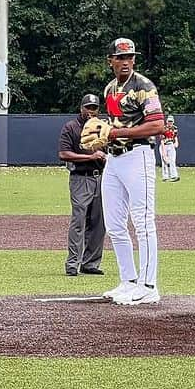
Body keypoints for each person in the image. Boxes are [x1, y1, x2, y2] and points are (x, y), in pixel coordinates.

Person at [97, 38, 166, 306]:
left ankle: (149, 286)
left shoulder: (144, 86)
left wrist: (117, 133)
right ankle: (128, 281)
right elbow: (113, 124)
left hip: (138, 157)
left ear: (134, 60)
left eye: (129, 57)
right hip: (114, 159)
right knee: (114, 224)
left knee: (143, 222)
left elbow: (157, 125)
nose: (125, 62)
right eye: (120, 57)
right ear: (110, 61)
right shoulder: (110, 88)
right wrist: (103, 136)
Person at [57, 94, 107, 277]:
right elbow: (63, 154)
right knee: (78, 220)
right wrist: (90, 157)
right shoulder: (71, 127)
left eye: (94, 108)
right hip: (80, 177)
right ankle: (72, 264)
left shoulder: (103, 127)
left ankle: (90, 263)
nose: (91, 111)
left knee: (99, 222)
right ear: (81, 108)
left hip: (101, 177)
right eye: (88, 107)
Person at [159, 116, 180, 182]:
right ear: (167, 121)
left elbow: (175, 136)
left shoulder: (175, 128)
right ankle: (165, 177)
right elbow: (162, 140)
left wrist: (176, 142)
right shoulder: (163, 128)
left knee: (172, 160)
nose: (170, 123)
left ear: (173, 122)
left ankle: (174, 176)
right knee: (164, 161)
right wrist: (164, 153)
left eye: (171, 121)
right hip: (164, 145)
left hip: (171, 145)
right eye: (169, 121)